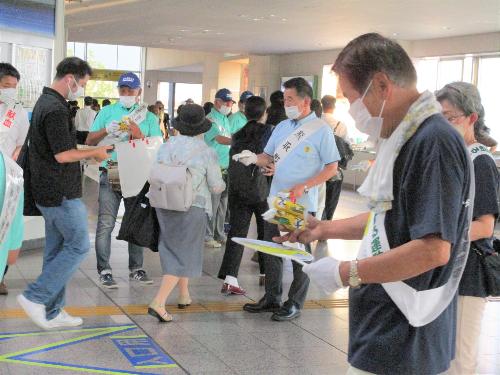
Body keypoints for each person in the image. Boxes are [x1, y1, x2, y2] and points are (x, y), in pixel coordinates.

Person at [275, 33, 473, 374]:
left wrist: (345, 272)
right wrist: (324, 228)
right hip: (386, 323)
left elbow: (432, 249)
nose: (355, 112)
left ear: (381, 85)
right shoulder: (406, 137)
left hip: (407, 330)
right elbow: (391, 219)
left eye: (353, 98)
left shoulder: (433, 142)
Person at [234, 77, 339, 321]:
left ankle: (295, 302)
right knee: (272, 247)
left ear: (305, 101)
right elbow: (267, 157)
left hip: (300, 203)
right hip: (276, 199)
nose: (286, 103)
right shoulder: (281, 127)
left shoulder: (321, 129)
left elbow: (332, 167)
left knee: (298, 251)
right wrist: (253, 158)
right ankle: (272, 297)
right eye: (285, 98)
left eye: (290, 99)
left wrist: (305, 185)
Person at [17, 57, 112, 329]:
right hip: (59, 193)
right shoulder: (55, 109)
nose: (80, 89)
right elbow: (62, 155)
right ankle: (36, 298)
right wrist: (95, 152)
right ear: (70, 78)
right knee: (79, 244)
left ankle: (52, 311)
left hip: (48, 191)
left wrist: (93, 144)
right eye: (81, 83)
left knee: (57, 249)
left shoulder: (47, 103)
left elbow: (64, 145)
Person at [436, 82, 499, 375]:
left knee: (460, 359)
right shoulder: (452, 156)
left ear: (472, 118)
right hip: (443, 266)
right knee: (441, 355)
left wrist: (438, 238)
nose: (444, 126)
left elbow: (485, 227)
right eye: (440, 119)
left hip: (469, 270)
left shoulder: (481, 161)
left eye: (451, 118)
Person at [148, 104, 225, 322]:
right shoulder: (207, 152)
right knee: (184, 252)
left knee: (174, 246)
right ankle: (159, 302)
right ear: (202, 128)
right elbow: (216, 185)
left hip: (164, 203)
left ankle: (184, 294)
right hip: (192, 206)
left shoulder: (166, 146)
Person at [86, 72, 162, 289]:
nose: (126, 94)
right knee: (106, 222)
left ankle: (136, 268)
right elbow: (90, 140)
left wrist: (138, 134)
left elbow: (158, 146)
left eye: (131, 90)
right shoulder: (107, 112)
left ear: (139, 92)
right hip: (112, 169)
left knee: (135, 219)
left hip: (137, 173)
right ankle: (105, 270)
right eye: (123, 90)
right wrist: (106, 130)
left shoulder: (147, 117)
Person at [217, 96, 273, 295]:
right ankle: (267, 274)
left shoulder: (238, 134)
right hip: (261, 190)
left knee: (237, 233)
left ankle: (230, 278)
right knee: (266, 232)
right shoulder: (270, 131)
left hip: (238, 190)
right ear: (264, 113)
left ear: (245, 112)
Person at [0, 62, 29, 295]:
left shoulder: (17, 112)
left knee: (6, 226)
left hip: (6, 177)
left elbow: (20, 144)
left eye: (13, 86)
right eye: (5, 85)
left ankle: (1, 276)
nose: (10, 90)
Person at [204, 88, 233, 248]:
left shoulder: (225, 118)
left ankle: (219, 233)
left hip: (226, 168)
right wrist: (237, 142)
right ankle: (208, 236)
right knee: (213, 205)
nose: (229, 105)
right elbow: (220, 139)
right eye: (226, 102)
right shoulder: (210, 120)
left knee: (223, 205)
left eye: (230, 102)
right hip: (214, 169)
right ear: (217, 102)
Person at [320, 95, 351, 221]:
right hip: (334, 171)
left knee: (316, 200)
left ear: (322, 105)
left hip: (315, 169)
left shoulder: (315, 121)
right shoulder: (340, 125)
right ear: (334, 107)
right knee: (331, 201)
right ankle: (326, 226)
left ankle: (313, 225)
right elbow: (347, 146)